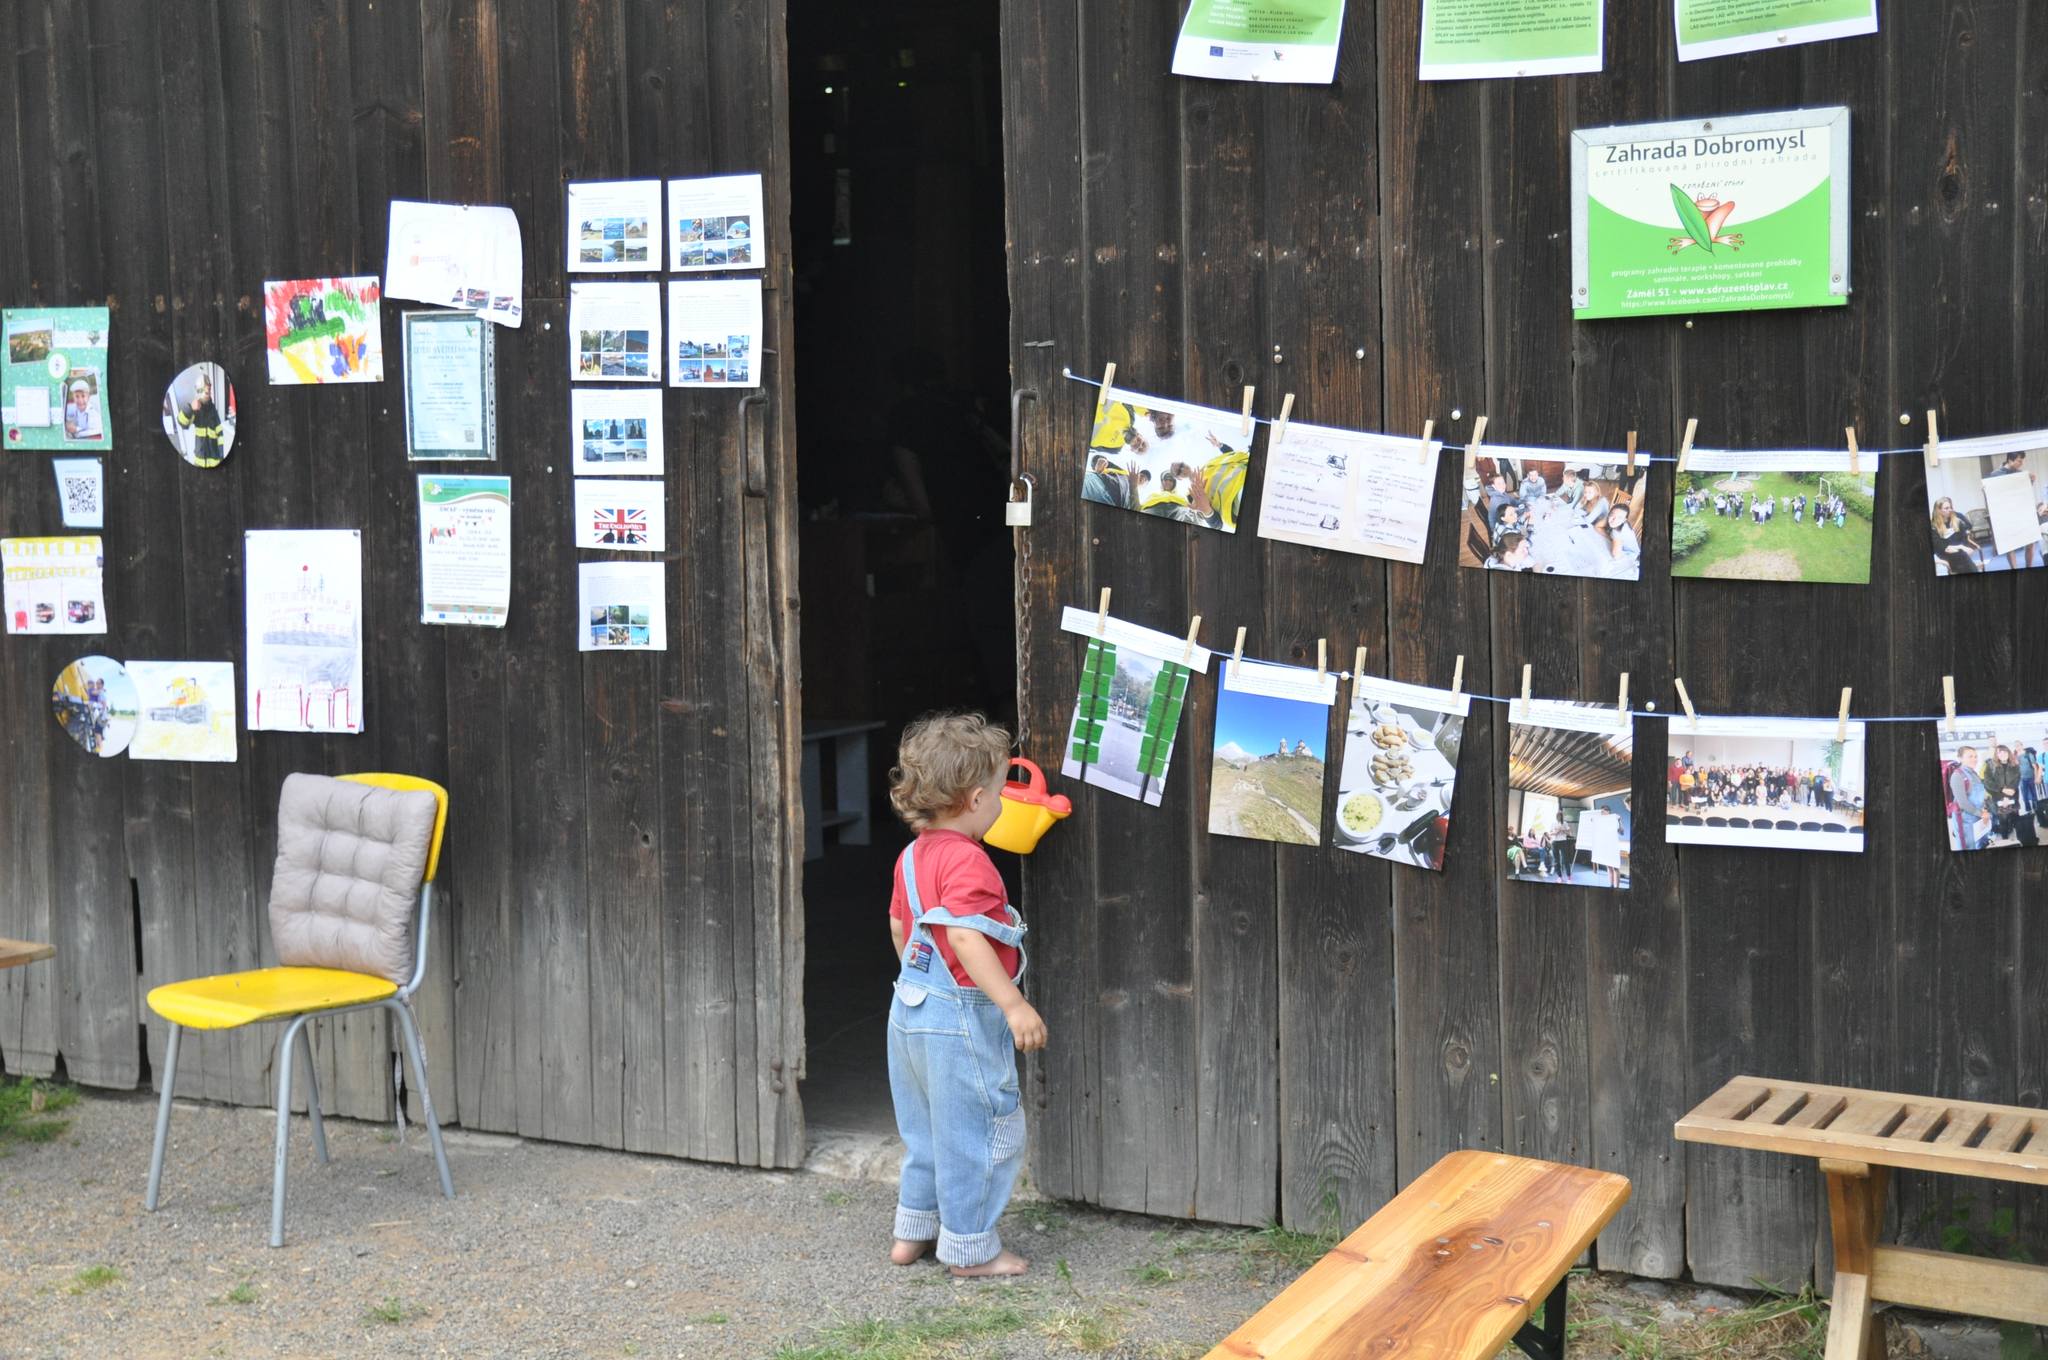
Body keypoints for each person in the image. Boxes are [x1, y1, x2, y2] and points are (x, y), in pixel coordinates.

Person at [884, 713, 1043, 1278]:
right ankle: (971, 1250)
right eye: (998, 793)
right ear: (977, 799)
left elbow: (901, 928)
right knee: (979, 1132)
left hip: (909, 1011)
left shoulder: (912, 856)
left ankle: (913, 1232)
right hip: (959, 1020)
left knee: (925, 1130)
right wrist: (1013, 1004)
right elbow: (965, 936)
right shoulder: (969, 860)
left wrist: (922, 987)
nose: (999, 803)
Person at [175, 368, 228, 467]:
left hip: (215, 460)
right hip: (199, 460)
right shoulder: (196, 409)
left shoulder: (213, 410)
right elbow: (182, 423)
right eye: (206, 390)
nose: (208, 393)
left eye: (209, 390)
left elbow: (220, 434)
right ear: (199, 391)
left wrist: (221, 456)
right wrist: (190, 408)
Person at [1949, 746, 1992, 850]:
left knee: (1980, 844)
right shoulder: (1957, 776)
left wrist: (1984, 809)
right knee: (1968, 847)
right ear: (1960, 758)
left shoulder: (1973, 773)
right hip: (1965, 820)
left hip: (1977, 816)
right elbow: (1963, 803)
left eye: (1975, 756)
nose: (1974, 759)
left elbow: (1979, 795)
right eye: (1970, 756)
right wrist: (1981, 814)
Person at [1929, 497, 1982, 573]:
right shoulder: (1933, 526)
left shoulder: (1956, 520)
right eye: (1946, 508)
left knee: (1961, 556)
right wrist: (1960, 547)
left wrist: (1962, 547)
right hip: (1945, 552)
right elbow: (1941, 547)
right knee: (1961, 556)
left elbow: (1964, 538)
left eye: (1950, 507)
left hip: (1959, 551)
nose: (1950, 510)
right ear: (1939, 511)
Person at [1599, 501, 1640, 578]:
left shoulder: (1618, 531)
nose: (1614, 520)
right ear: (1609, 514)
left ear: (1624, 520)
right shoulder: (1617, 523)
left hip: (1631, 555)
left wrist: (1613, 539)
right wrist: (1610, 538)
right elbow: (1598, 527)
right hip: (1621, 547)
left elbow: (1616, 555)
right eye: (1612, 515)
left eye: (1620, 517)